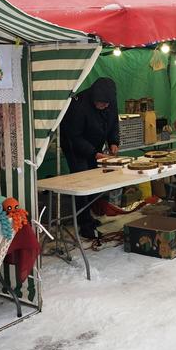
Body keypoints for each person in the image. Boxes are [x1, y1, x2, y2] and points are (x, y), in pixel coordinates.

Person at [60, 77, 120, 238]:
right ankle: (84, 223)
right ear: (94, 98)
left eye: (107, 104)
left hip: (94, 145)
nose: (104, 106)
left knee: (94, 181)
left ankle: (89, 216)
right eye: (101, 103)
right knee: (83, 183)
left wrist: (113, 141)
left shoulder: (110, 101)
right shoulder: (79, 105)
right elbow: (74, 136)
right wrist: (93, 153)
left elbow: (113, 122)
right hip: (74, 146)